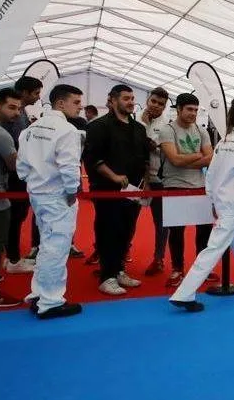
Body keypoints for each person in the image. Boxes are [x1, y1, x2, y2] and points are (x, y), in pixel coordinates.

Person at [169, 100, 234, 312]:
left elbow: (212, 174)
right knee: (214, 249)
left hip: (226, 204)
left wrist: (213, 200)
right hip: (233, 206)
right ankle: (184, 294)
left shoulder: (223, 143)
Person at [16, 84, 84, 319]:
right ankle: (51, 302)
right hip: (57, 196)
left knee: (47, 246)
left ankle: (39, 294)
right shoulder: (67, 131)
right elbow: (69, 167)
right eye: (76, 102)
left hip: (37, 194)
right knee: (57, 248)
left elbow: (21, 167)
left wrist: (34, 182)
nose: (80, 106)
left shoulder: (30, 129)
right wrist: (72, 192)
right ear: (60, 103)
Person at [83, 84, 149, 296]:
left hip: (133, 191)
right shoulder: (98, 127)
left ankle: (119, 270)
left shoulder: (138, 128)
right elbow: (92, 158)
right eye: (126, 98)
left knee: (126, 231)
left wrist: (145, 183)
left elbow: (144, 159)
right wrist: (114, 177)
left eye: (132, 98)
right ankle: (107, 276)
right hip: (106, 190)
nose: (130, 102)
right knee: (108, 231)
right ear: (112, 100)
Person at [159, 93, 214, 288]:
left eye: (196, 110)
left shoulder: (201, 130)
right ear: (179, 109)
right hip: (175, 185)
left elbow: (210, 158)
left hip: (200, 186)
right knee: (176, 232)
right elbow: (174, 160)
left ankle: (202, 268)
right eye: (189, 109)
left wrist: (187, 158)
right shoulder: (167, 130)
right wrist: (198, 156)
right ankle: (177, 269)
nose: (193, 113)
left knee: (204, 231)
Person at [0, 88, 24, 308]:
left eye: (18, 108)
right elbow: (15, 166)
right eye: (12, 107)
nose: (17, 113)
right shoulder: (0, 134)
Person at [3, 76, 42, 274]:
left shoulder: (23, 113)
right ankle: (13, 259)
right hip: (14, 174)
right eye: (36, 93)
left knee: (16, 217)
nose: (38, 97)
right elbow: (15, 145)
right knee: (14, 216)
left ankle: (12, 256)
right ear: (24, 92)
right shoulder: (15, 118)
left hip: (19, 173)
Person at [140, 88, 171, 276]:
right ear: (148, 100)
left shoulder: (168, 124)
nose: (156, 106)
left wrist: (143, 130)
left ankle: (158, 259)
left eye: (161, 104)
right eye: (154, 101)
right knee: (128, 221)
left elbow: (153, 147)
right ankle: (120, 258)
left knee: (161, 222)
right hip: (137, 178)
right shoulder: (134, 118)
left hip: (160, 179)